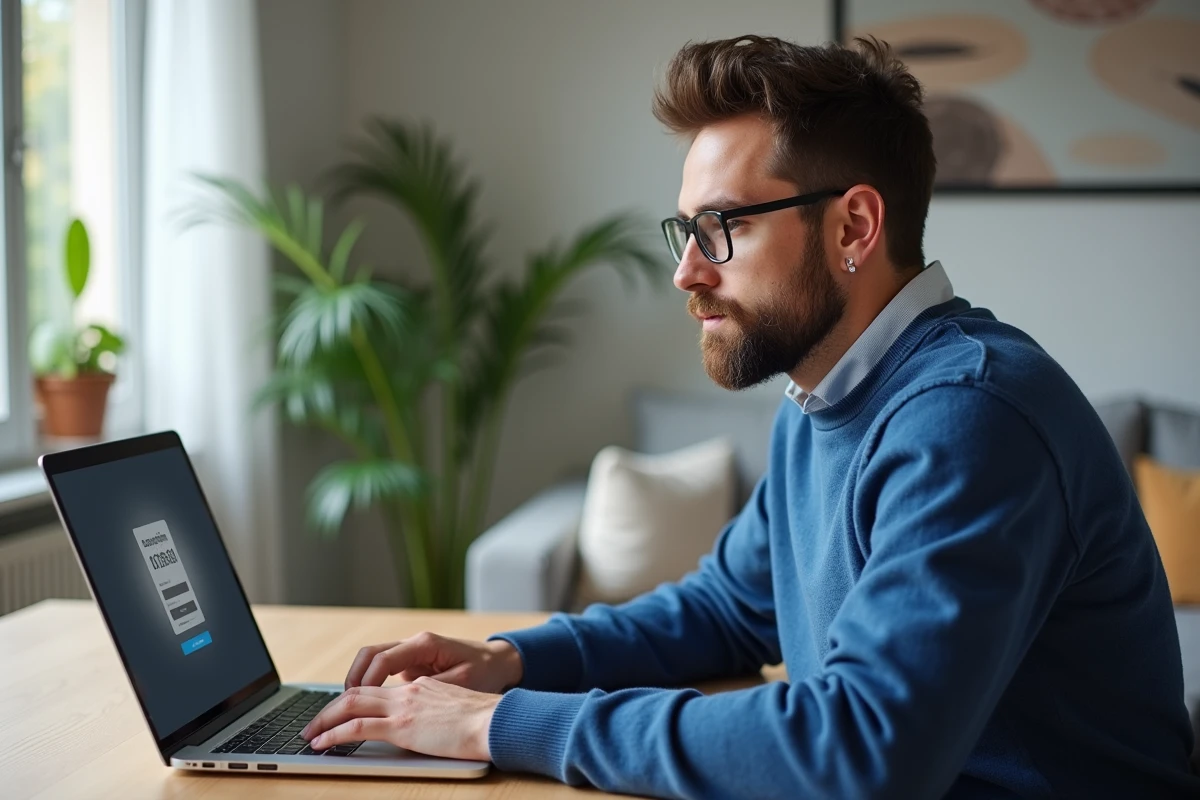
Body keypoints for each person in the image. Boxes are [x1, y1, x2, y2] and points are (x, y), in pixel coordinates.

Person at [300, 35, 1200, 798]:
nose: (688, 270)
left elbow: (860, 750)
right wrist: (512, 661)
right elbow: (731, 608)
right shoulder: (823, 397)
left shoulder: (970, 417)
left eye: (722, 227)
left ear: (854, 228)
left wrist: (500, 726)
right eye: (684, 230)